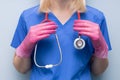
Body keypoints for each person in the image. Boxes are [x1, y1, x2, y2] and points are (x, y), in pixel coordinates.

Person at [11, 0, 112, 80]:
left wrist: (101, 48)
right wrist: (26, 46)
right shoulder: (28, 17)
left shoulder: (96, 18)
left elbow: (98, 71)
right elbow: (22, 69)